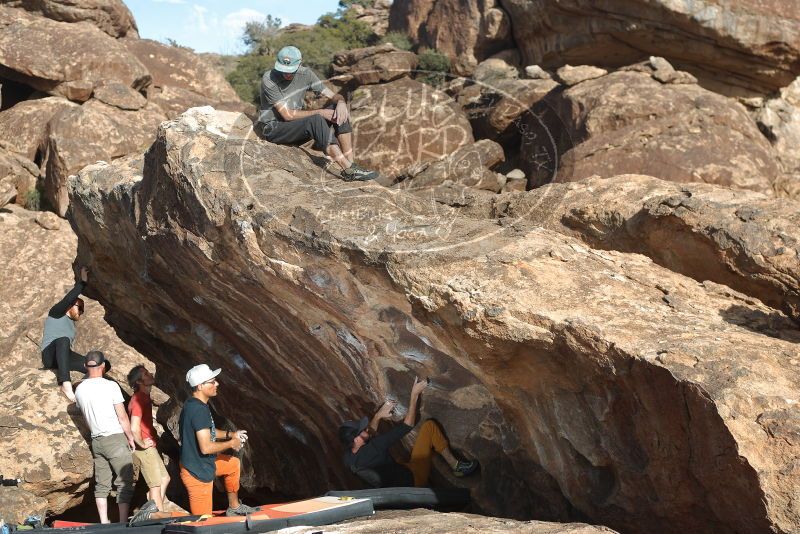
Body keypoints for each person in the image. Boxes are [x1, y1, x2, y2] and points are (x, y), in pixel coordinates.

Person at [256, 45, 379, 182]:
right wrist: (320, 112)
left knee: (337, 110)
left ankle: (352, 165)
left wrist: (341, 103)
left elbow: (334, 96)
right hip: (273, 129)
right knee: (315, 119)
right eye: (283, 70)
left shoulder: (306, 74)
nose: (286, 74)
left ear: (300, 63)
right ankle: (347, 168)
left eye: (290, 70)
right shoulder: (269, 78)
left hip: (295, 128)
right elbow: (287, 115)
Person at [339, 377, 479, 488]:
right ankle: (457, 466)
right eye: (362, 431)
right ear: (356, 440)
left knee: (399, 458)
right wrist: (414, 395)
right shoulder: (374, 447)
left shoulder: (349, 458)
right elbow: (408, 425)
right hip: (414, 479)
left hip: (396, 484)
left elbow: (370, 435)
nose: (366, 429)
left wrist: (378, 416)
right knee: (429, 427)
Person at [178, 364, 259, 517]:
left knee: (233, 464)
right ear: (200, 386)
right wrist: (231, 444)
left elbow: (209, 433)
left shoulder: (193, 403)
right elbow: (206, 447)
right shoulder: (198, 410)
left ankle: (234, 507)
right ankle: (153, 515)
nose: (217, 384)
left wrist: (232, 434)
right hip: (197, 474)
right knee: (203, 524)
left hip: (201, 463)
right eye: (212, 381)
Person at [74, 351, 135, 524]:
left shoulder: (80, 389)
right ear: (103, 366)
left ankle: (104, 522)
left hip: (97, 441)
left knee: (102, 484)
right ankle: (123, 522)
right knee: (124, 482)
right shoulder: (110, 386)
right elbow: (122, 416)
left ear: (86, 366)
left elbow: (82, 411)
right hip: (114, 437)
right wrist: (130, 437)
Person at [41, 266, 95, 402]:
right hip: (49, 355)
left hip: (64, 355)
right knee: (63, 340)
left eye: (83, 310)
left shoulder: (72, 325)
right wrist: (82, 282)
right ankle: (65, 384)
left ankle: (80, 387)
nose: (81, 312)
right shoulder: (56, 313)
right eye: (79, 308)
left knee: (97, 363)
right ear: (70, 306)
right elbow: (69, 298)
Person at [126, 365, 172, 523]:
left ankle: (151, 504)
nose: (150, 374)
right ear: (139, 381)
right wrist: (142, 444)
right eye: (145, 374)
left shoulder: (144, 397)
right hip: (145, 450)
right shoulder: (138, 398)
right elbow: (133, 427)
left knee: (165, 478)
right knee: (156, 484)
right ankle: (157, 516)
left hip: (150, 448)